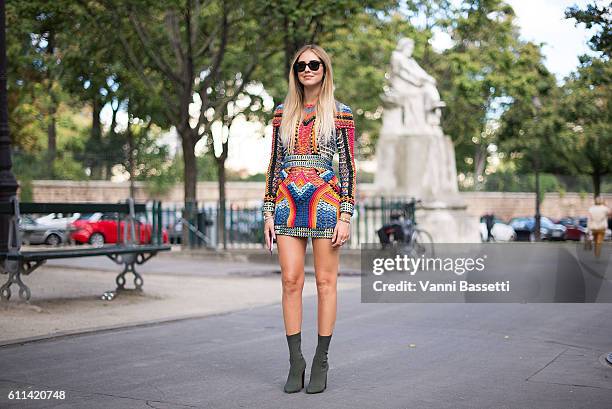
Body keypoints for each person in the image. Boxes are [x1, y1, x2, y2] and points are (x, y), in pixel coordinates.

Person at [261, 44, 357, 394]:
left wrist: (346, 214)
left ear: (324, 69)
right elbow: (273, 163)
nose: (307, 69)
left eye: (314, 64)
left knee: (325, 283)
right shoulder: (282, 112)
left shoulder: (341, 113)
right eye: (301, 65)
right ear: (295, 71)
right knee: (290, 281)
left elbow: (347, 167)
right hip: (287, 201)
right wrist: (268, 210)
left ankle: (321, 359)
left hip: (326, 202)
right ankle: (295, 360)